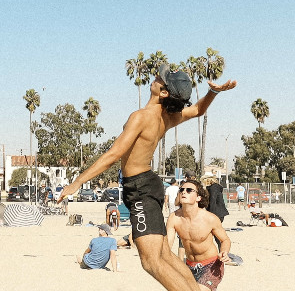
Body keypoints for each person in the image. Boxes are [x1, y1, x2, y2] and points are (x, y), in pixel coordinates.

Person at [60, 63, 236, 290]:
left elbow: (114, 154)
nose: (155, 77)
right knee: (164, 255)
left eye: (160, 79)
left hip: (141, 188)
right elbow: (198, 111)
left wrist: (77, 182)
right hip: (146, 185)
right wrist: (214, 92)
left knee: (152, 262)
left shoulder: (141, 117)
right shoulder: (166, 117)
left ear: (163, 92)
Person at [166, 179, 232, 291]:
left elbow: (225, 240)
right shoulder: (174, 218)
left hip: (211, 265)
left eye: (189, 190)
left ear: (198, 198)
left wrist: (224, 252)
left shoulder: (210, 218)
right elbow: (167, 245)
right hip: (189, 265)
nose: (183, 192)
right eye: (181, 189)